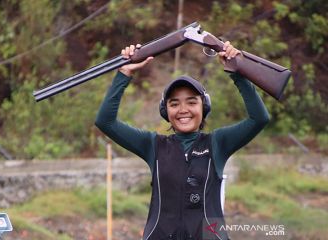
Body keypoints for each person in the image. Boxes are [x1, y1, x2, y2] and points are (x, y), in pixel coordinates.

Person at [95, 41, 270, 240]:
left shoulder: (218, 143)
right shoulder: (153, 145)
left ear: (204, 108)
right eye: (174, 103)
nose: (183, 110)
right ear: (165, 111)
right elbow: (105, 121)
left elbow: (259, 118)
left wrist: (237, 73)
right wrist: (124, 73)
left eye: (192, 102)